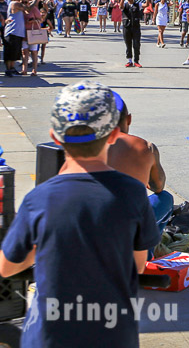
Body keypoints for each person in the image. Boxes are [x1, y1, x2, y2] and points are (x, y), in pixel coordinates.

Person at [0, 81, 159, 347]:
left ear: (54, 136)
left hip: (50, 335)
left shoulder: (40, 198)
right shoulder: (132, 192)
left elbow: (7, 267)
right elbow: (138, 266)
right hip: (114, 333)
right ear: (112, 135)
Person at [107, 92, 174, 234]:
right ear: (129, 119)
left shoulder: (83, 146)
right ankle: (148, 249)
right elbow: (158, 187)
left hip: (90, 228)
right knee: (165, 198)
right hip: (127, 226)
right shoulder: (145, 147)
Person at [3, 0, 25, 77]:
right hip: (12, 32)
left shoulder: (17, 3)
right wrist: (36, 0)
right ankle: (8, 69)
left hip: (17, 32)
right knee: (9, 52)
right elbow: (27, 8)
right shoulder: (14, 3)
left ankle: (12, 68)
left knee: (15, 52)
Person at [121, 0, 143, 67]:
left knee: (136, 44)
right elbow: (121, 7)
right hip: (127, 26)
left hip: (136, 27)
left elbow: (146, 5)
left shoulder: (138, 5)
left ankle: (136, 61)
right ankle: (129, 60)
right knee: (128, 43)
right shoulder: (124, 4)